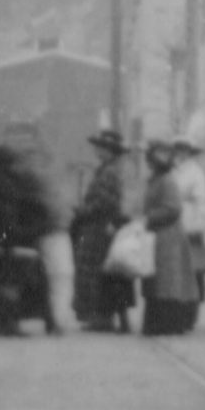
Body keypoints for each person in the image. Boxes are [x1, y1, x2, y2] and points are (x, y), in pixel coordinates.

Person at [0, 133, 59, 335]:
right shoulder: (11, 185)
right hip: (6, 243)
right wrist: (31, 232)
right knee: (21, 279)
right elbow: (8, 220)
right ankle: (17, 323)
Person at [136, 145, 205, 338]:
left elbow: (173, 208)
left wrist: (149, 217)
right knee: (159, 280)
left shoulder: (166, 181)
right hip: (159, 235)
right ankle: (160, 323)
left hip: (168, 236)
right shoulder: (158, 180)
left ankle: (166, 324)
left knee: (167, 282)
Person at [68, 130, 133, 332]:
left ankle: (102, 317)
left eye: (102, 148)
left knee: (97, 271)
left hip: (100, 226)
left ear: (111, 152)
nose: (98, 150)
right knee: (100, 271)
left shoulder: (108, 172)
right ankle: (102, 315)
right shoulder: (106, 170)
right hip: (99, 225)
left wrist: (82, 210)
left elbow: (103, 203)